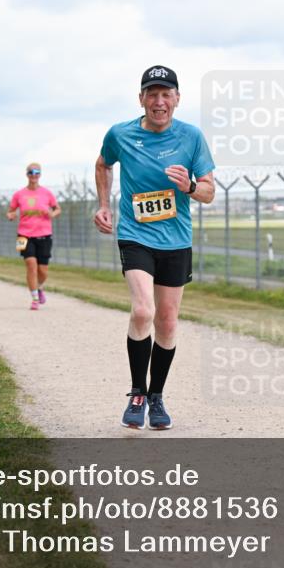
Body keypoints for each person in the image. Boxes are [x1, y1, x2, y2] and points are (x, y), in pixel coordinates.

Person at [93, 65, 216, 430]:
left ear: (177, 99)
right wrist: (103, 204)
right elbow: (103, 164)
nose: (159, 101)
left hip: (176, 240)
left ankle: (157, 397)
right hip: (135, 234)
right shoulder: (121, 134)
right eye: (152, 94)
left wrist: (190, 187)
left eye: (166, 94)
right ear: (141, 99)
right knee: (143, 311)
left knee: (166, 320)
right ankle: (137, 393)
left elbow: (209, 192)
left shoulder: (191, 137)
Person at [7, 163, 61, 310]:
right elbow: (10, 211)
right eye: (31, 172)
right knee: (30, 264)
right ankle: (35, 298)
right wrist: (11, 215)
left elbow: (57, 209)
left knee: (43, 271)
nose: (34, 175)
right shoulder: (19, 194)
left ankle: (39, 287)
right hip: (23, 235)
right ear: (27, 174)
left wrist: (52, 214)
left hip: (44, 234)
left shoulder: (47, 193)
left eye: (36, 172)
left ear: (40, 174)